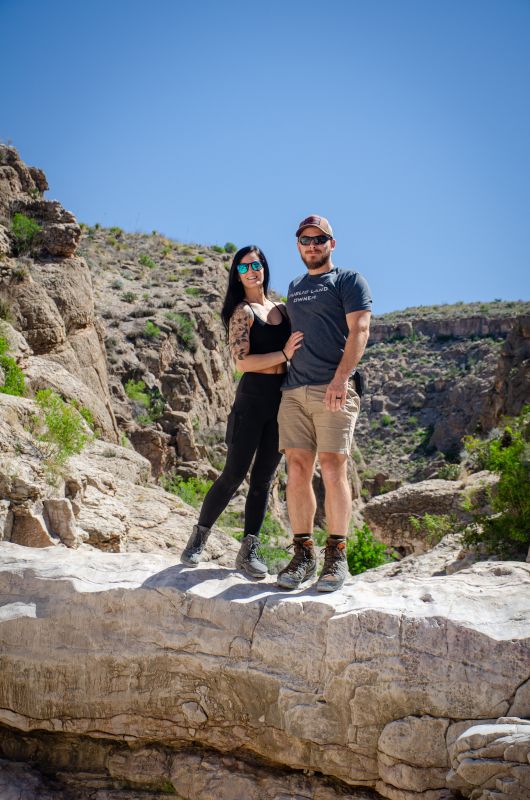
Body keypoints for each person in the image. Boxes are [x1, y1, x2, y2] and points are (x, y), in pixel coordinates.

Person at [181, 245, 303, 578]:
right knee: (234, 474)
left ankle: (248, 552)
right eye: (244, 268)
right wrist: (283, 353)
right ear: (238, 275)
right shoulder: (243, 312)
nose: (252, 272)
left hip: (282, 401)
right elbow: (242, 362)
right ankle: (198, 538)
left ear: (265, 267)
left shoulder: (283, 309)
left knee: (263, 481)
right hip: (252, 398)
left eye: (256, 265)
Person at [276, 215, 372, 592]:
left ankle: (337, 556)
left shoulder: (348, 280)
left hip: (332, 388)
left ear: (332, 243)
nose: (311, 245)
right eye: (304, 240)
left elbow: (360, 329)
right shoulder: (295, 286)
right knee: (297, 470)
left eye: (319, 239)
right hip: (293, 391)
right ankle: (303, 554)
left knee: (333, 468)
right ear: (297, 245)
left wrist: (340, 379)